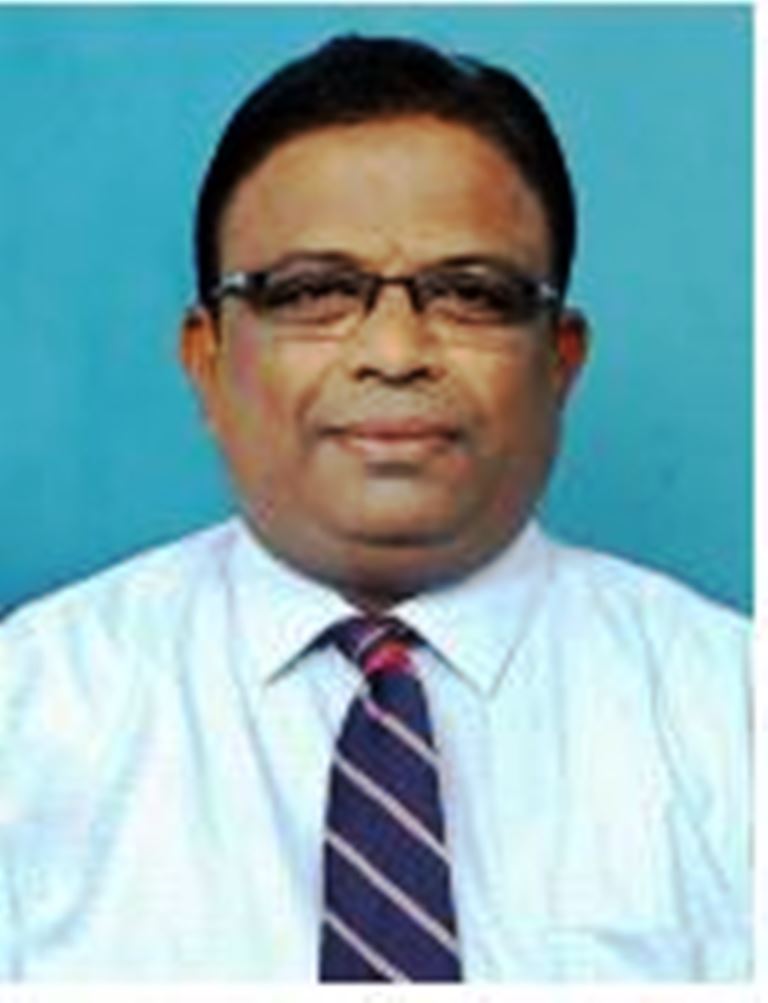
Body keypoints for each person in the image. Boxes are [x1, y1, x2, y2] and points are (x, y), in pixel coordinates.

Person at [0, 35, 750, 982]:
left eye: (470, 294)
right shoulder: (30, 714)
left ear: (559, 363)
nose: (394, 353)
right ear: (207, 359)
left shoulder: (732, 712)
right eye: (314, 291)